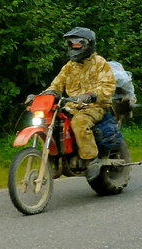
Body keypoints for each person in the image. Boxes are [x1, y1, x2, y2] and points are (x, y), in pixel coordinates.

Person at [34, 27, 117, 179]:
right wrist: (40, 96)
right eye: (71, 43)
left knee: (79, 123)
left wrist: (91, 96)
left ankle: (92, 160)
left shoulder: (100, 63)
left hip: (96, 106)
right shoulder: (69, 67)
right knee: (50, 121)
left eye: (79, 43)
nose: (74, 46)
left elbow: (108, 87)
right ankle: (54, 159)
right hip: (72, 106)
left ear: (88, 44)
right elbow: (55, 86)